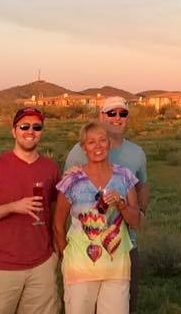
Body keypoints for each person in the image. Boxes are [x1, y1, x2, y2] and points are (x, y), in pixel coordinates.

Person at [0, 107, 61, 314]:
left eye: (36, 127)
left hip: (42, 265)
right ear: (14, 131)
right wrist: (13, 207)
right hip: (2, 266)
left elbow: (55, 213)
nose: (31, 131)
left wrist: (54, 252)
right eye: (24, 126)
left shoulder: (51, 168)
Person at [65, 96, 148, 313]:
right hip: (85, 250)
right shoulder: (77, 151)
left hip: (124, 245)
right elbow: (67, 188)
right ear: (102, 116)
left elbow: (142, 186)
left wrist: (139, 213)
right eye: (112, 113)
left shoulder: (136, 152)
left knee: (126, 303)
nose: (117, 118)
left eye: (122, 113)